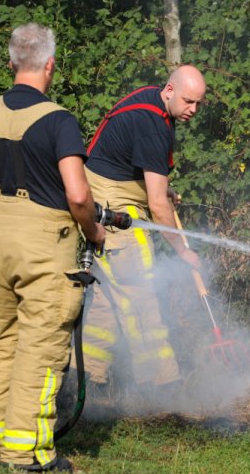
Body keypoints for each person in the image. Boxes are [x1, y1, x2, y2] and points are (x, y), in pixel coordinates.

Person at [0, 22, 105, 472]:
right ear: (50, 65)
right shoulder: (59, 121)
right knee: (40, 349)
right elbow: (79, 196)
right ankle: (26, 452)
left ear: (11, 63)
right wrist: (95, 233)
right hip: (45, 247)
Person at [81, 65, 206, 399]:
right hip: (114, 211)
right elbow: (158, 205)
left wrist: (161, 188)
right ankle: (162, 387)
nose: (193, 110)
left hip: (102, 201)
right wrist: (183, 251)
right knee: (142, 294)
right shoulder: (154, 125)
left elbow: (141, 173)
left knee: (107, 301)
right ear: (169, 90)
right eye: (188, 101)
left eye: (198, 104)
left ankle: (87, 382)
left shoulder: (153, 105)